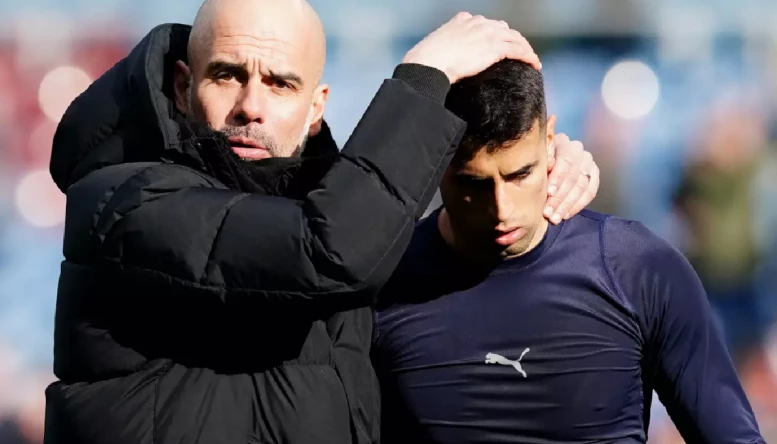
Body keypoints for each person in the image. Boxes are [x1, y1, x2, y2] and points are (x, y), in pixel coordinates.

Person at [44, 0, 600, 443]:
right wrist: (424, 81)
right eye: (227, 75)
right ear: (184, 88)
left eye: (281, 84)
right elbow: (326, 250)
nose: (251, 106)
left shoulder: (333, 213)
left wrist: (543, 173)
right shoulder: (122, 201)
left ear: (316, 109)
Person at [372, 59, 766, 443]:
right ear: (436, 163)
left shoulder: (637, 270)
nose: (501, 209)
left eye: (520, 174)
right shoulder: (380, 282)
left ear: (549, 140)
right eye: (473, 184)